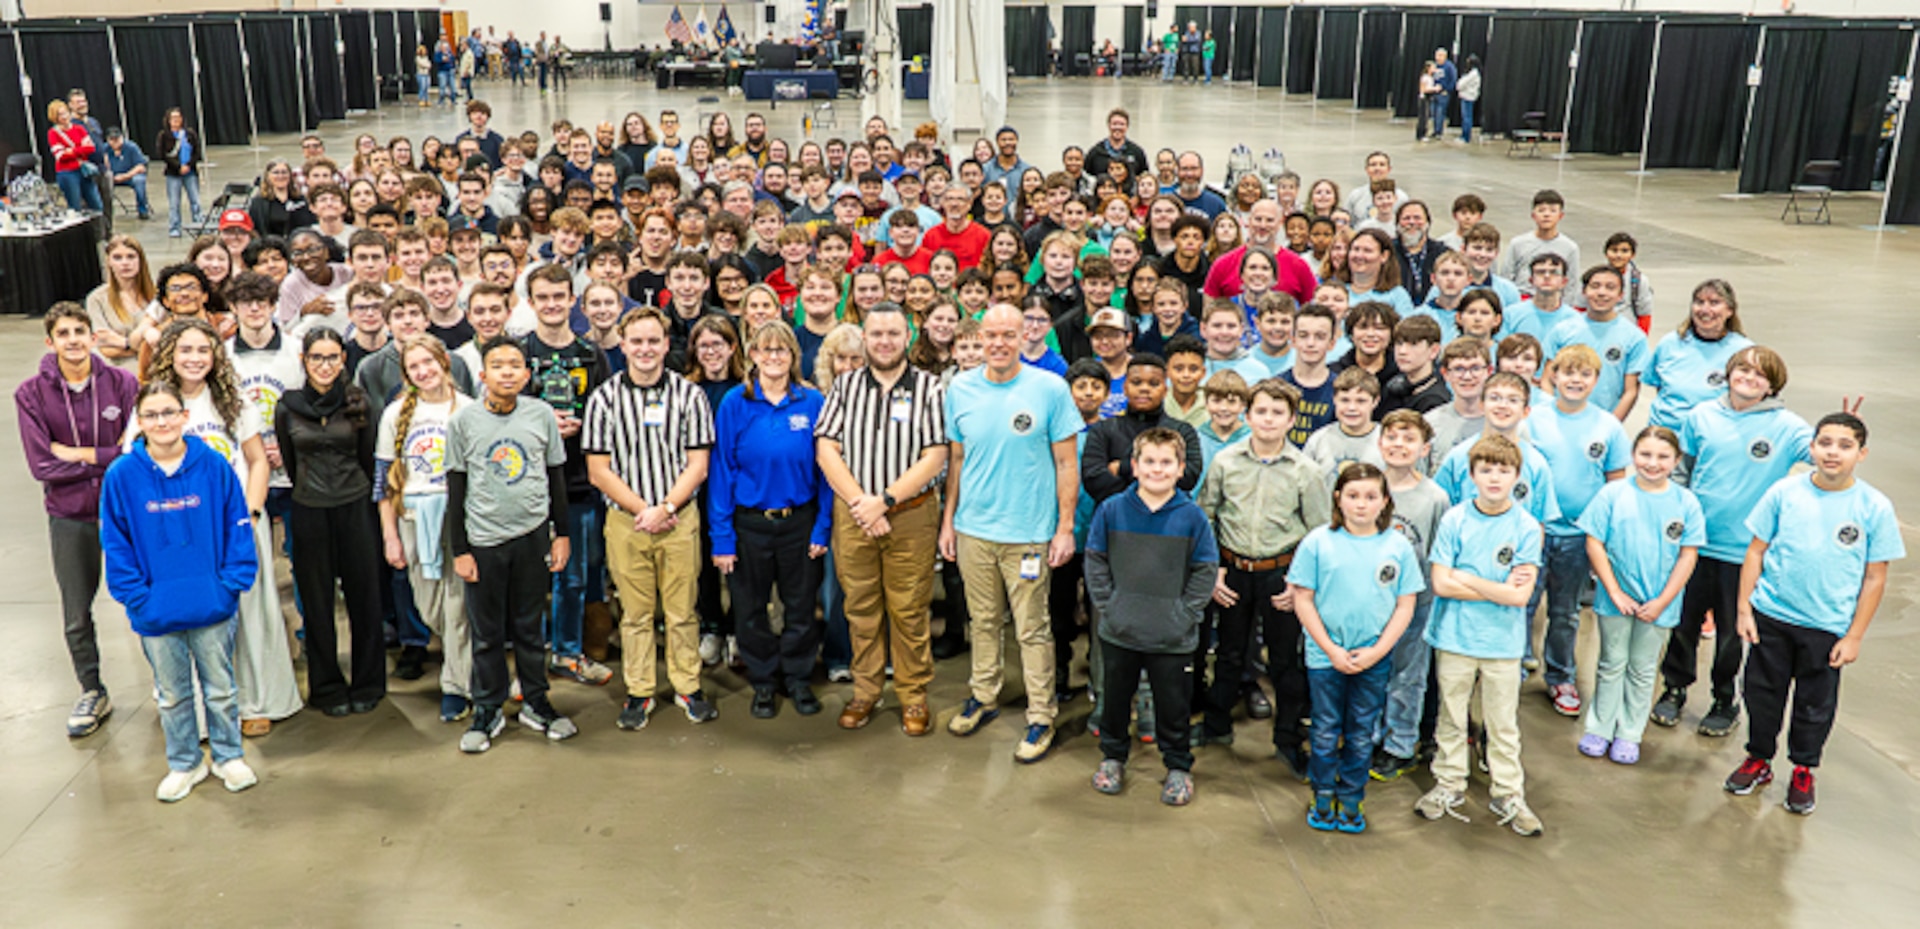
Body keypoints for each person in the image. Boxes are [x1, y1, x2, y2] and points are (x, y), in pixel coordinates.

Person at [1725, 412, 1902, 816]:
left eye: (1844, 445)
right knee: (1761, 694)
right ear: (1812, 447)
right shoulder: (1785, 492)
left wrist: (1854, 635)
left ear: (1862, 453)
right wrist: (1744, 609)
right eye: (1825, 443)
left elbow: (1875, 577)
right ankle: (1759, 759)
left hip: (1827, 626)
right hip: (1772, 616)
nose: (1832, 452)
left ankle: (1804, 768)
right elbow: (1755, 550)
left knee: (1814, 705)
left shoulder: (1873, 506)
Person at [100, 381, 261, 802]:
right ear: (140, 421)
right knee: (172, 695)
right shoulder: (121, 475)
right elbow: (115, 543)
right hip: (155, 611)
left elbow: (237, 526)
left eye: (169, 412)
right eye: (151, 415)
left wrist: (230, 584)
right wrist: (137, 597)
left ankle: (228, 756)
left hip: (212, 604)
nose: (162, 422)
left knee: (221, 689)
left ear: (184, 416)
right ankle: (185, 763)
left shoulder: (214, 466)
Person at [145, 314, 303, 735]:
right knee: (194, 621)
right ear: (169, 355)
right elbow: (141, 468)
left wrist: (248, 516)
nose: (195, 358)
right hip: (181, 534)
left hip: (235, 526)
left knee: (248, 615)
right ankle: (201, 712)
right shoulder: (155, 404)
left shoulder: (234, 401)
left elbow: (256, 463)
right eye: (186, 350)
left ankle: (255, 701)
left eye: (203, 349)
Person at [941, 304, 1083, 764]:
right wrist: (949, 521)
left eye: (1008, 334)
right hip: (974, 530)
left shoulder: (1049, 389)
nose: (999, 343)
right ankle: (983, 696)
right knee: (981, 621)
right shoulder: (960, 389)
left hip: (1028, 534)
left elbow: (1067, 463)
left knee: (1032, 628)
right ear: (978, 339)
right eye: (990, 335)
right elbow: (957, 461)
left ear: (1026, 335)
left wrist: (1064, 528)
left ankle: (1041, 715)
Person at [1656, 346, 1811, 736]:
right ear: (1728, 373)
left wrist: (1845, 430)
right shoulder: (1700, 416)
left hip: (1743, 553)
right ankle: (1674, 688)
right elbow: (1682, 473)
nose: (1749, 378)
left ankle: (1724, 698)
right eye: (1742, 368)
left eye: (1761, 374)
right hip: (1695, 545)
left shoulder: (1788, 427)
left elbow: (1824, 455)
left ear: (1773, 385)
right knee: (1683, 624)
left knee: (1731, 634)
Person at [815, 303, 950, 734]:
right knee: (860, 608)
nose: (885, 342)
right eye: (877, 334)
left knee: (909, 610)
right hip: (854, 514)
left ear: (907, 335)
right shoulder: (845, 387)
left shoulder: (930, 388)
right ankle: (866, 691)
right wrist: (862, 503)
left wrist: (886, 500)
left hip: (911, 515)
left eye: (893, 333)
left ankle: (913, 696)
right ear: (865, 338)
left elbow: (936, 455)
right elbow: (826, 449)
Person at [584, 307, 718, 731]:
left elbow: (698, 464)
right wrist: (644, 511)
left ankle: (686, 685)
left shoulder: (689, 395)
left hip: (679, 519)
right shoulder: (603, 398)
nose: (645, 349)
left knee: (682, 611)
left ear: (666, 345)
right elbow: (598, 469)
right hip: (627, 522)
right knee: (636, 614)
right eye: (636, 342)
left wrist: (667, 509)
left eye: (653, 341)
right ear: (622, 346)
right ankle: (640, 690)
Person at [446, 336, 578, 753]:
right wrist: (461, 549)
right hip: (484, 541)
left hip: (532, 537)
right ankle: (488, 709)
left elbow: (557, 478)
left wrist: (563, 535)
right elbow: (456, 487)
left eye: (515, 365)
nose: (507, 371)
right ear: (482, 375)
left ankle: (536, 702)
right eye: (497, 365)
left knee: (529, 627)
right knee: (486, 633)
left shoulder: (540, 415)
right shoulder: (463, 422)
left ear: (527, 374)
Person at [17, 303, 142, 738]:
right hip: (69, 516)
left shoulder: (125, 384)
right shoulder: (31, 394)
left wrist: (82, 455)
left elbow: (136, 453)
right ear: (50, 342)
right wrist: (107, 462)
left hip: (125, 513)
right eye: (64, 333)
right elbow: (42, 466)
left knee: (146, 599)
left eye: (80, 331)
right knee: (76, 613)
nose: (73, 339)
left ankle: (171, 685)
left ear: (94, 337)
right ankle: (92, 689)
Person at [1194, 380, 1329, 771]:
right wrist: (1216, 570)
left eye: (1277, 413)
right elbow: (1209, 515)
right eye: (1261, 411)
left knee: (1285, 660)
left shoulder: (1306, 470)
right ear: (1247, 415)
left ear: (1291, 419)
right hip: (1234, 570)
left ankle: (1287, 735)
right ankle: (1217, 724)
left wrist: (1300, 583)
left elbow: (1318, 532)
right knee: (1230, 653)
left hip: (1281, 575)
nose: (1268, 419)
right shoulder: (1226, 461)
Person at [1415, 434, 1544, 836]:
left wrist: (1467, 577)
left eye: (1503, 470)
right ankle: (1449, 782)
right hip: (1455, 636)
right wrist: (1496, 588)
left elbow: (1520, 595)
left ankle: (1509, 792)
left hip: (1502, 643)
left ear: (1516, 476)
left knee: (1502, 722)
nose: (1494, 478)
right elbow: (1441, 583)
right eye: (1485, 470)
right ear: (1471, 475)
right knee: (1452, 715)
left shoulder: (1525, 526)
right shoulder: (1455, 520)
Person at [1084, 427, 1219, 806]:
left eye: (1166, 463)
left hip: (1173, 637)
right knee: (1115, 700)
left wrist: (1185, 614)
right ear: (1134, 466)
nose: (1157, 470)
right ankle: (1112, 758)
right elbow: (1095, 562)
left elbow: (1205, 570)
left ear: (1180, 469)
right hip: (1119, 631)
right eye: (1149, 462)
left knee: (1174, 706)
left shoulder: (1192, 517)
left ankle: (1177, 766)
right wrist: (1111, 607)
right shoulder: (1111, 510)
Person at [1291, 464, 1424, 832]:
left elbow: (1405, 605)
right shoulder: (1318, 542)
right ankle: (1322, 793)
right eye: (1353, 496)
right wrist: (1332, 650)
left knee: (1362, 729)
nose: (1361, 505)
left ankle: (1351, 797)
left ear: (1385, 501)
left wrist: (1378, 651)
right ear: (1338, 498)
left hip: (1374, 659)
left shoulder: (1397, 546)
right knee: (1324, 728)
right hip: (1324, 657)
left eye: (1370, 497)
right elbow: (1303, 599)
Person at [709, 323, 831, 719]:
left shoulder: (811, 401)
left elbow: (826, 470)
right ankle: (763, 681)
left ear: (794, 356)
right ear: (753, 355)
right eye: (766, 349)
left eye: (782, 350)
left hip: (799, 521)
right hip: (749, 524)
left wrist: (821, 527)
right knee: (749, 608)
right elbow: (722, 470)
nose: (774, 357)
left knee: (799, 606)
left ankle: (797, 678)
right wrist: (722, 538)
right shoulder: (734, 403)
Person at [275, 329, 386, 717]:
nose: (325, 366)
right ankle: (325, 686)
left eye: (332, 357)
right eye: (317, 358)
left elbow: (369, 461)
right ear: (304, 360)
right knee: (318, 603)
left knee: (364, 599)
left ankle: (369, 681)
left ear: (344, 360)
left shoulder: (359, 403)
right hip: (308, 509)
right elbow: (290, 462)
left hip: (355, 507)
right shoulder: (287, 406)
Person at [1578, 426, 1704, 766]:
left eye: (1663, 457)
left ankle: (1629, 732)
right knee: (1610, 663)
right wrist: (1614, 591)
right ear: (1634, 455)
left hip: (1660, 604)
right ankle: (1599, 728)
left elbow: (1688, 555)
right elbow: (1595, 542)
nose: (1653, 463)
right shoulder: (1613, 494)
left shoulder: (1685, 502)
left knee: (1643, 668)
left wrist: (1663, 601)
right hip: (1614, 600)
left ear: (1676, 460)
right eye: (1645, 455)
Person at [521, 267, 615, 686]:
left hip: (579, 482)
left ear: (572, 299)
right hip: (527, 485)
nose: (552, 304)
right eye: (543, 297)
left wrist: (585, 429)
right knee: (527, 575)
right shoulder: (518, 354)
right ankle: (529, 651)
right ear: (531, 302)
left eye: (559, 296)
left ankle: (567, 651)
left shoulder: (592, 355)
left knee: (576, 573)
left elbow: (611, 415)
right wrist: (542, 428)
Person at [376, 336, 476, 723]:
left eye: (428, 362)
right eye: (414, 366)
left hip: (459, 517)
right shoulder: (396, 414)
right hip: (415, 518)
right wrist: (390, 534)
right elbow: (383, 481)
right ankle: (462, 661)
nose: (423, 371)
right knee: (430, 606)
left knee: (458, 604)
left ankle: (457, 685)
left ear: (444, 362)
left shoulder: (468, 409)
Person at [1527, 345, 1628, 716]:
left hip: (1576, 537)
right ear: (1553, 375)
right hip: (1532, 532)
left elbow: (1615, 483)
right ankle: (1517, 665)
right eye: (1567, 372)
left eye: (1584, 374)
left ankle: (1561, 675)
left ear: (1596, 381)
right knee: (1521, 604)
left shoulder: (1607, 426)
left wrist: (1601, 535)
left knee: (1565, 611)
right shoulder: (1534, 419)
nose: (1575, 380)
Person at [1368, 410, 1453, 780]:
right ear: (1380, 442)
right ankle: (1368, 736)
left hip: (1416, 603)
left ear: (1425, 448)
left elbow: (1439, 553)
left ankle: (1400, 744)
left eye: (1409, 439)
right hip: (1370, 601)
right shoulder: (1369, 487)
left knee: (1408, 675)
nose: (1399, 446)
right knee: (1371, 670)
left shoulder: (1434, 497)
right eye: (1392, 437)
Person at [1641, 279, 1751, 433]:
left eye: (1714, 303)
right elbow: (1660, 387)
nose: (1705, 310)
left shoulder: (1744, 352)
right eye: (1699, 302)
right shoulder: (1670, 344)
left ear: (1730, 310)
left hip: (1713, 436)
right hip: (1667, 438)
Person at [1303, 367, 1387, 485]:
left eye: (1361, 401)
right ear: (1334, 399)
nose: (1351, 408)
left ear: (1375, 401)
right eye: (1344, 400)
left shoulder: (1388, 440)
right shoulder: (1318, 440)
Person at [1496, 190, 1581, 299]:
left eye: (1552, 211)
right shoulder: (1517, 243)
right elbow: (1506, 278)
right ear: (1533, 215)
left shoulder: (1570, 248)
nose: (1546, 215)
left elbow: (1571, 285)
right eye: (1541, 210)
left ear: (1561, 215)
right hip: (1522, 298)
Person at [155, 108, 204, 238]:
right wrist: (178, 167)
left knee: (195, 200)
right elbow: (162, 154)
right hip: (173, 174)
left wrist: (188, 165)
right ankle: (174, 227)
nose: (176, 120)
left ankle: (199, 223)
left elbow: (197, 151)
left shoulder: (189, 134)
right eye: (173, 118)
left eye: (178, 117)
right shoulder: (164, 136)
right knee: (174, 203)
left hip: (190, 172)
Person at [46, 101, 103, 212]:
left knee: (97, 205)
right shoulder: (53, 133)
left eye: (65, 113)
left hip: (84, 171)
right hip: (67, 173)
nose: (64, 117)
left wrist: (71, 151)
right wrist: (80, 149)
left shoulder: (79, 128)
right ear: (55, 117)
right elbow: (60, 156)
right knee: (75, 207)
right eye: (60, 114)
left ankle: (98, 229)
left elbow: (91, 148)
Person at [104, 127, 152, 220]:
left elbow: (141, 167)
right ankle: (105, 212)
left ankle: (143, 210)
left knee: (139, 181)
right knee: (101, 182)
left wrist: (126, 176)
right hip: (112, 177)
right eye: (112, 140)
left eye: (117, 139)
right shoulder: (105, 149)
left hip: (131, 175)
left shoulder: (131, 147)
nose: (115, 142)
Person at [1457, 55, 1482, 143]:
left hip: (1468, 97)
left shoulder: (1473, 74)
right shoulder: (1472, 73)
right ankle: (1464, 135)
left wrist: (1459, 86)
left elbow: (1461, 84)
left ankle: (1466, 137)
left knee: (1467, 117)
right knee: (1466, 117)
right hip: (1466, 95)